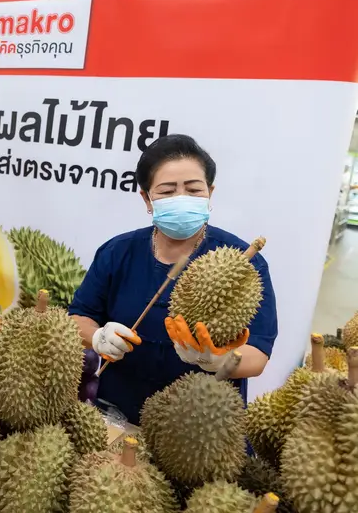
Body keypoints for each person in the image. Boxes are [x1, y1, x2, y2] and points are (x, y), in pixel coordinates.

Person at [69, 134, 278, 426]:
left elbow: (258, 353)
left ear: (210, 193)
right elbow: (78, 317)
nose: (182, 199)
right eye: (167, 191)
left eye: (193, 190)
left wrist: (220, 360)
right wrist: (97, 337)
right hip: (113, 414)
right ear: (147, 198)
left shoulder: (246, 263)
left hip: (200, 425)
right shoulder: (117, 252)